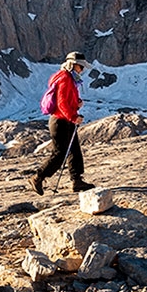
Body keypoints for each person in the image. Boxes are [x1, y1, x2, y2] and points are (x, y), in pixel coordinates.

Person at [29, 51, 96, 195]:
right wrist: (73, 117)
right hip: (60, 121)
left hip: (65, 120)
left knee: (74, 149)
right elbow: (61, 103)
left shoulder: (69, 78)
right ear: (73, 65)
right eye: (81, 66)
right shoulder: (65, 78)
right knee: (59, 153)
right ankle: (38, 177)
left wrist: (77, 104)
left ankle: (77, 181)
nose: (82, 70)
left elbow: (66, 100)